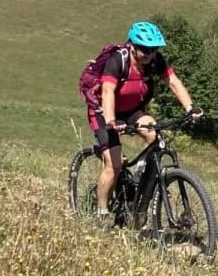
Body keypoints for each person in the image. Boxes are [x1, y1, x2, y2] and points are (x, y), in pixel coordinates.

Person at [78, 21, 201, 221]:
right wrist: (111, 120)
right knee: (114, 164)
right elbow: (108, 91)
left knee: (155, 136)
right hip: (104, 112)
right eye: (145, 50)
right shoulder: (118, 61)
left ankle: (139, 181)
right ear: (132, 47)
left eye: (154, 50)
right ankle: (101, 213)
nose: (150, 54)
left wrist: (190, 108)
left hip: (132, 111)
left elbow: (173, 83)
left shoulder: (154, 61)